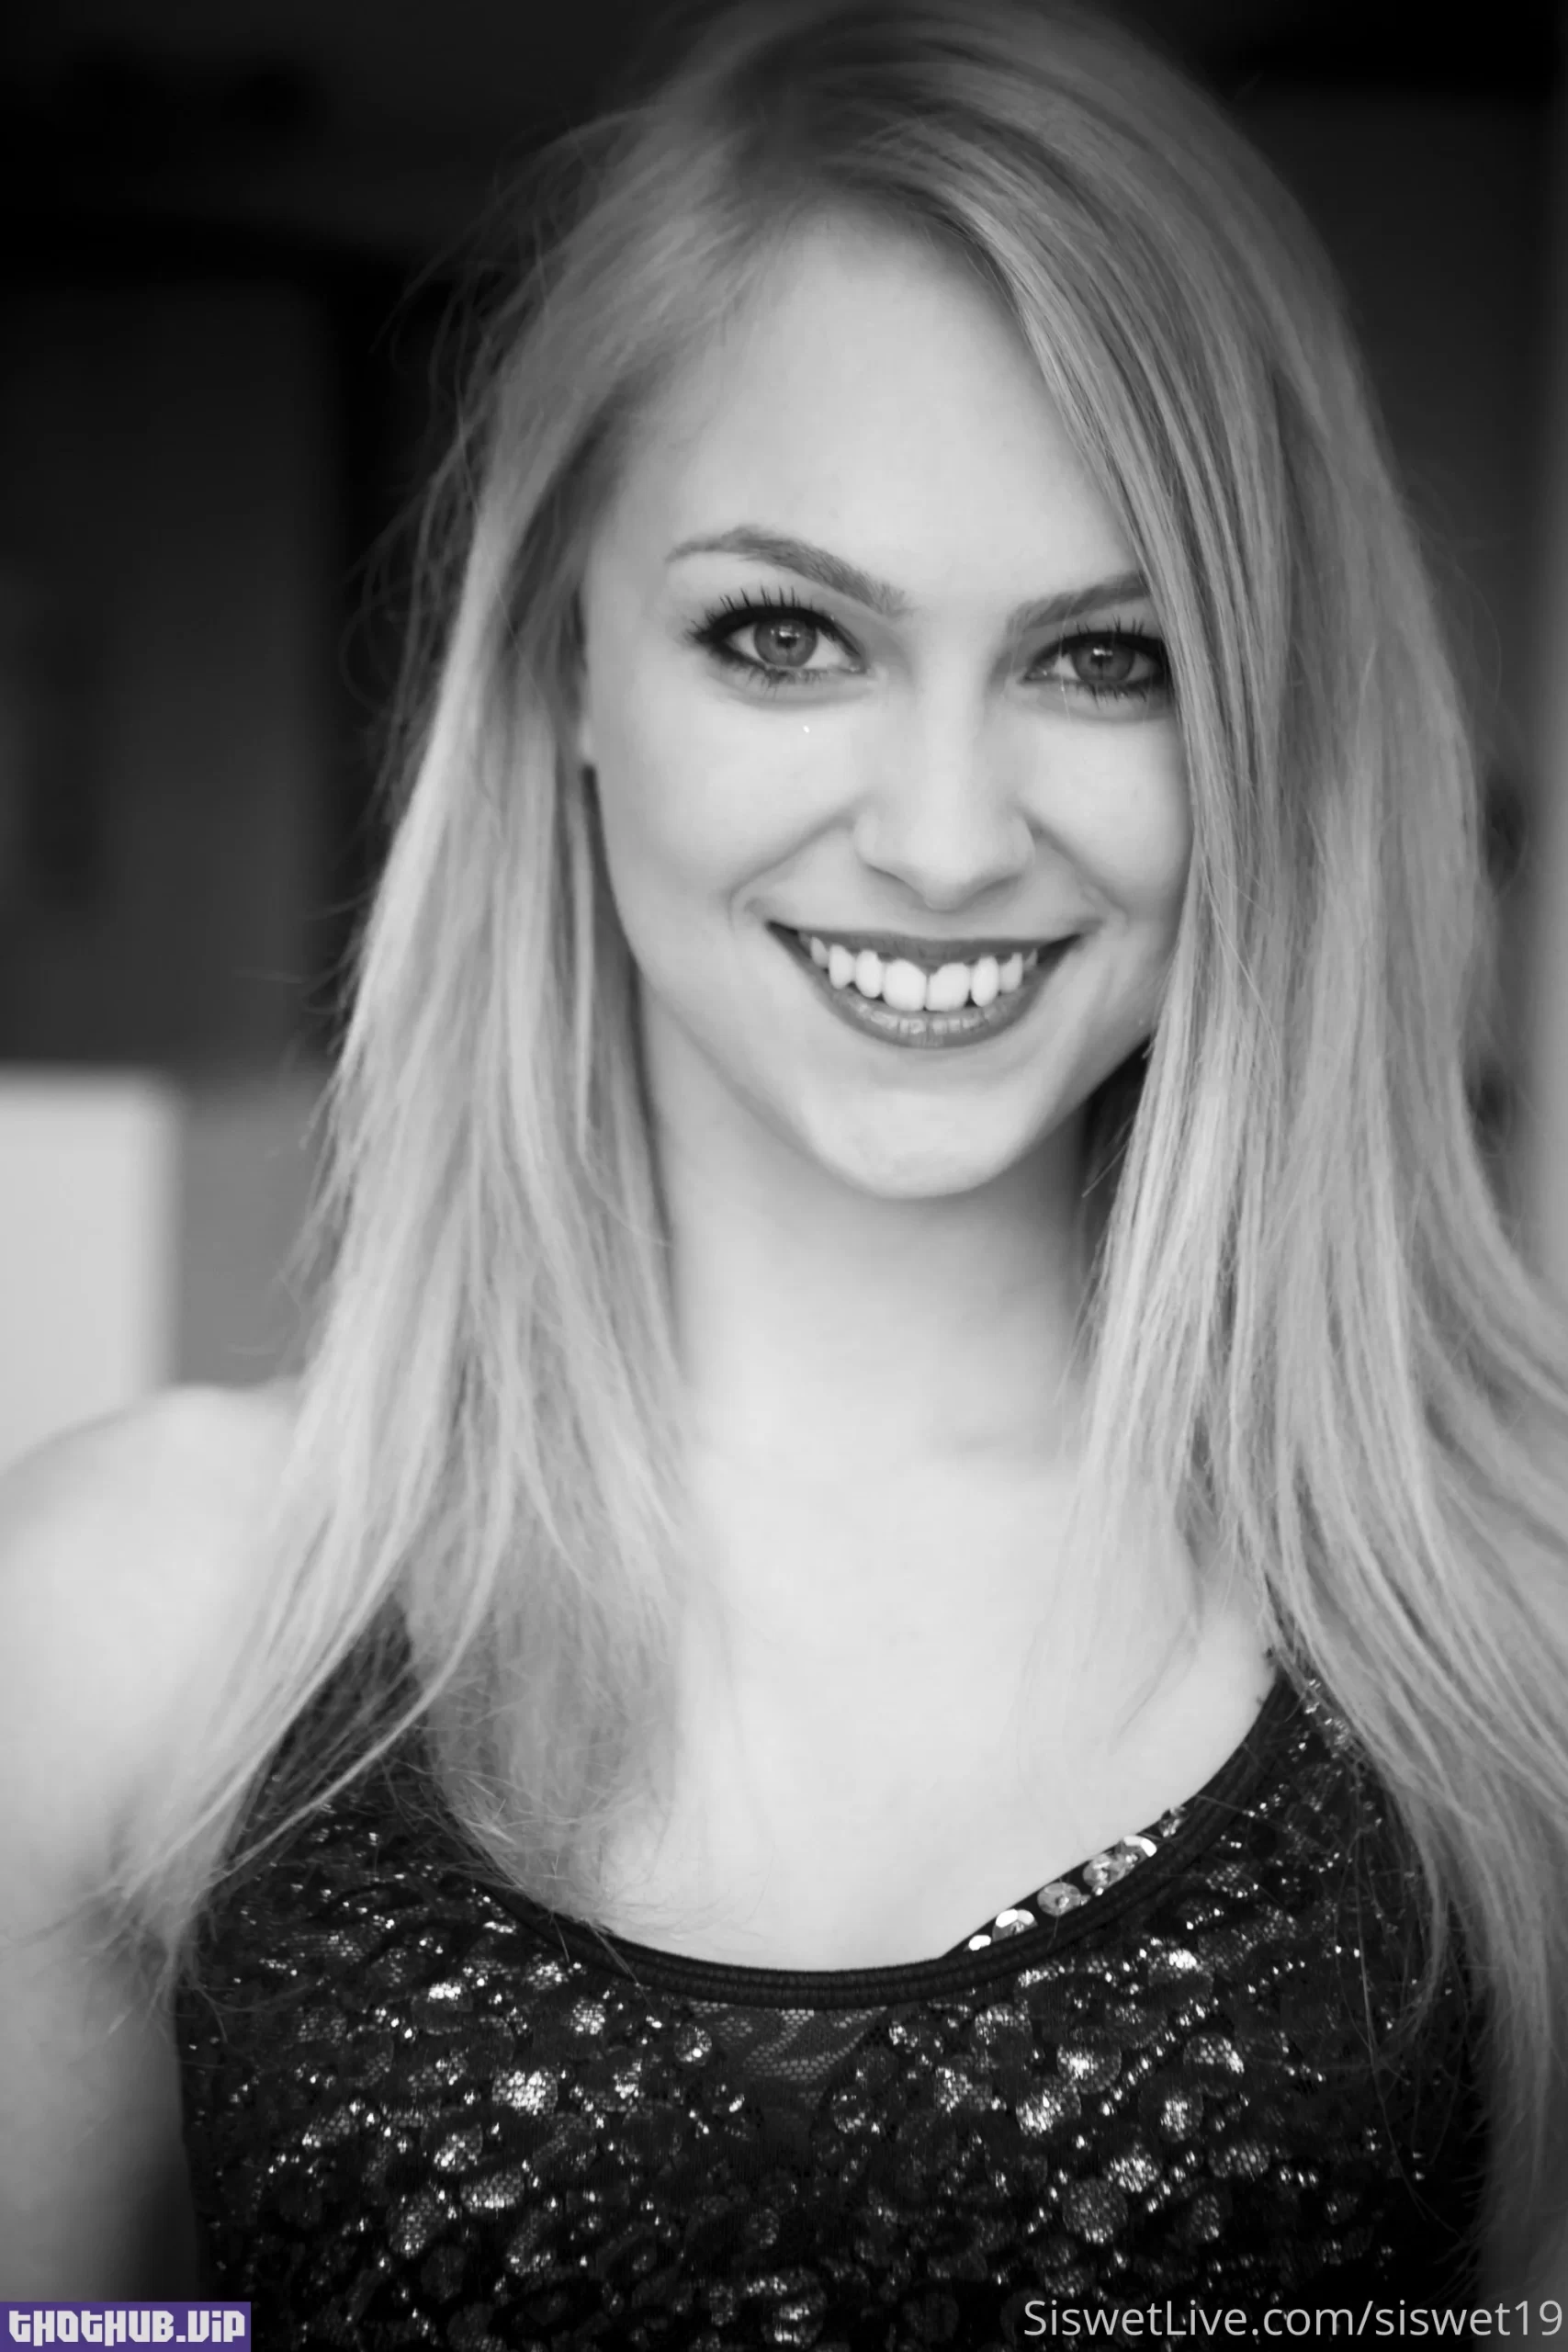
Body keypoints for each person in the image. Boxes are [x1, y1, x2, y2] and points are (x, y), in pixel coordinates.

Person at [4, 0, 1568, 2335]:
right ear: (560, 675)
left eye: (1106, 658)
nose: (941, 836)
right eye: (785, 634)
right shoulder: (125, 1630)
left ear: (1266, 727)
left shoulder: (1518, 1639)